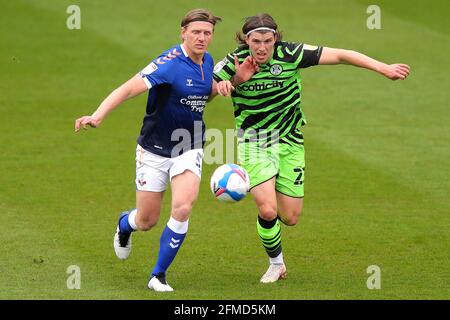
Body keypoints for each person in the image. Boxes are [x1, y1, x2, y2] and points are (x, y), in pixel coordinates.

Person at [213, 13, 410, 283]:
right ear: (246, 40)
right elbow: (205, 92)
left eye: (267, 41)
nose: (261, 47)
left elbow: (341, 54)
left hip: (290, 140)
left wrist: (383, 68)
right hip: (254, 142)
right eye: (255, 41)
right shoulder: (233, 61)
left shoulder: (291, 53)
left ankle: (271, 228)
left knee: (290, 217)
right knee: (268, 210)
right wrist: (235, 80)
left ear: (275, 39)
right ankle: (276, 264)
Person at [74, 9, 222, 292]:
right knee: (147, 220)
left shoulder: (207, 61)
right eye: (196, 32)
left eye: (207, 33)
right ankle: (125, 224)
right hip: (153, 149)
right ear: (183, 33)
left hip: (188, 145)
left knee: (183, 207)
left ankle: (158, 275)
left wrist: (230, 83)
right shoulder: (168, 64)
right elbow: (129, 88)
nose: (202, 38)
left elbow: (201, 96)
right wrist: (98, 114)